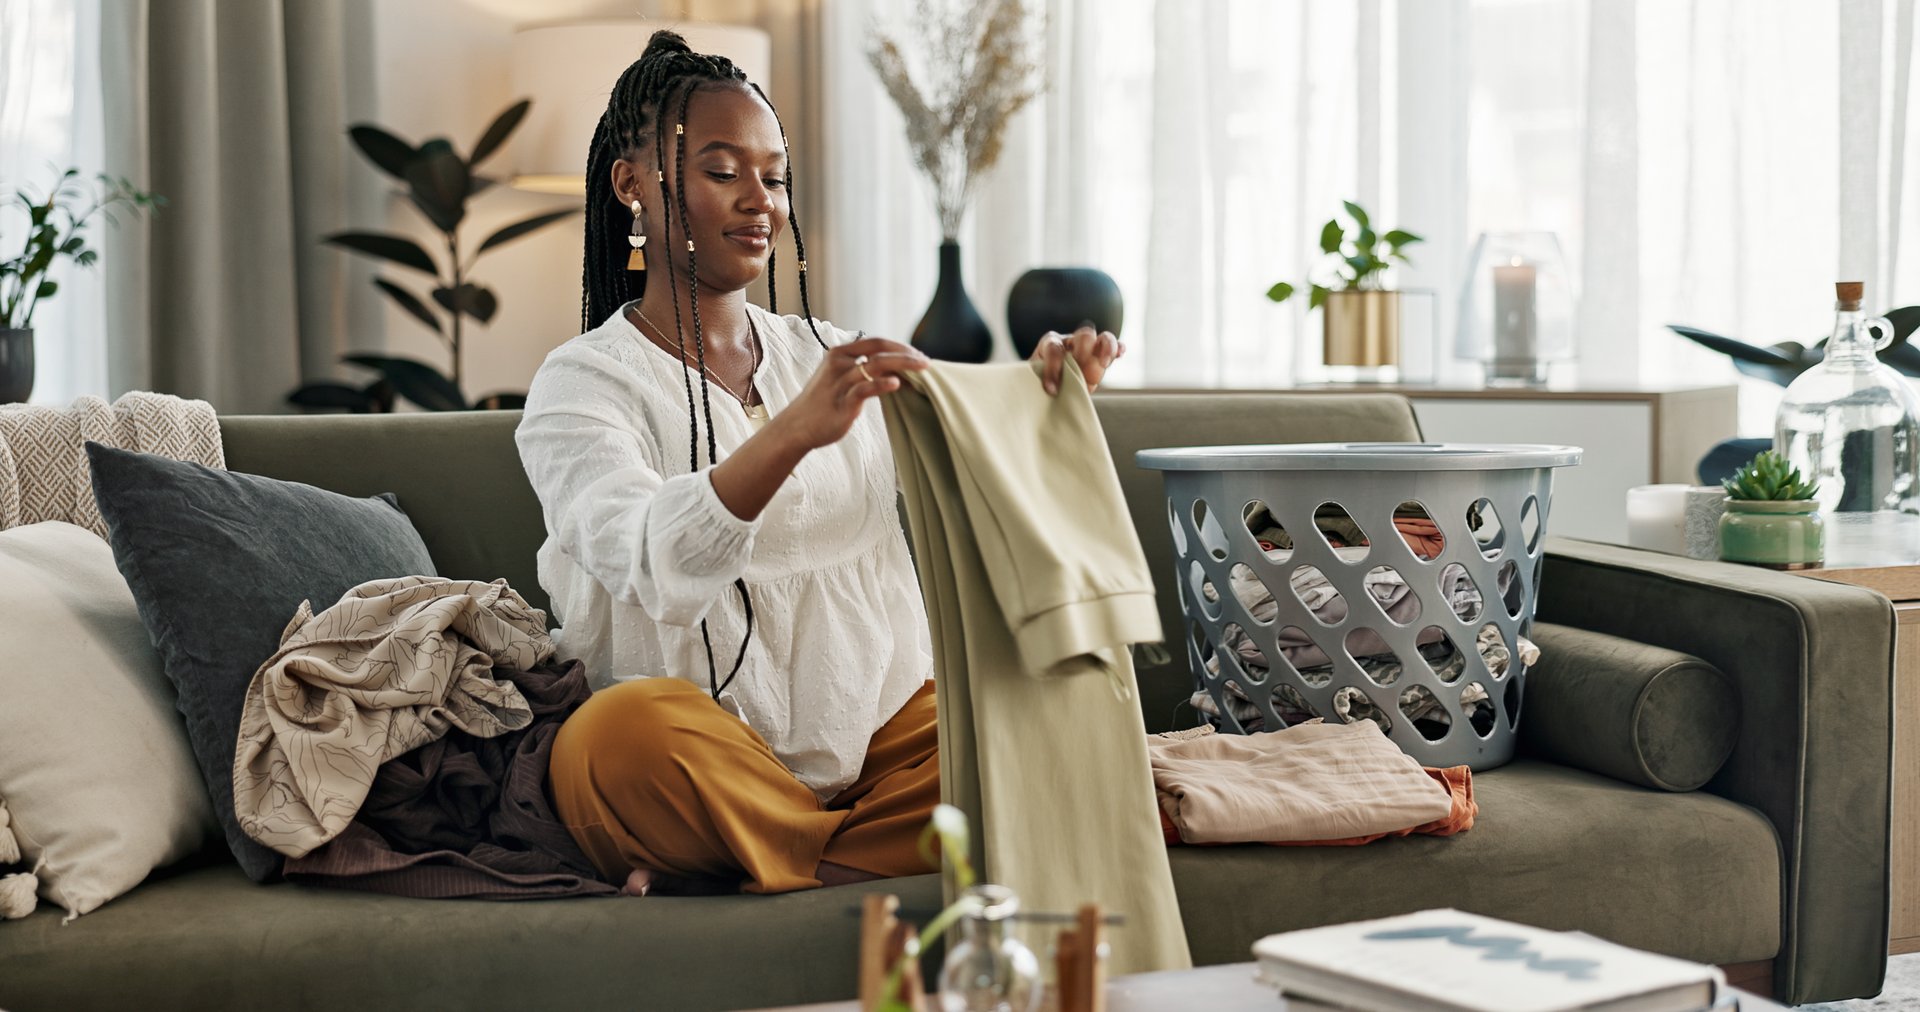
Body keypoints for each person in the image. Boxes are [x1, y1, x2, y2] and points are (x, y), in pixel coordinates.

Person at [516, 30, 1123, 897]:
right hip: (691, 752)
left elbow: (968, 468)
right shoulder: (582, 383)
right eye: (723, 172)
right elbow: (654, 560)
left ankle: (771, 862)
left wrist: (1046, 394)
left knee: (1051, 726)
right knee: (617, 743)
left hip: (873, 739)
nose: (760, 201)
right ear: (631, 185)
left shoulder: (829, 350)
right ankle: (838, 851)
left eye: (775, 176)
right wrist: (790, 432)